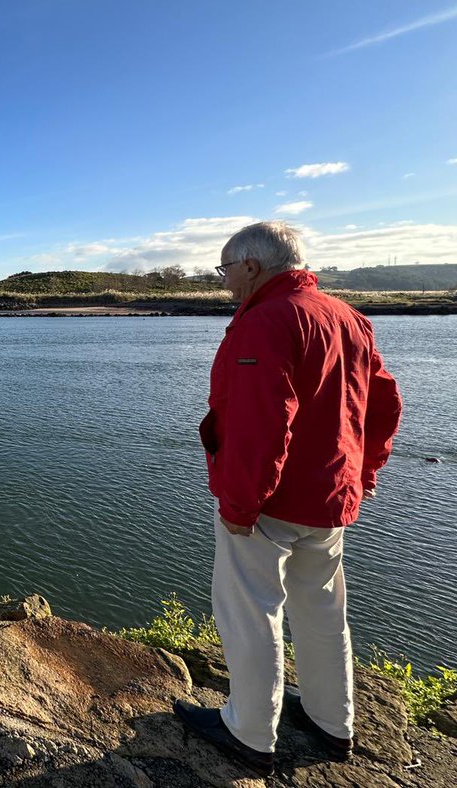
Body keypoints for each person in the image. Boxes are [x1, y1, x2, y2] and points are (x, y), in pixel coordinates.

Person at [175, 222, 402, 776]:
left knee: (251, 611)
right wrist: (363, 475)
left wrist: (240, 504)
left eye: (226, 270)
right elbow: (384, 404)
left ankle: (249, 732)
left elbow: (261, 422)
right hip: (329, 495)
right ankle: (332, 722)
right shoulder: (348, 317)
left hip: (270, 502)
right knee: (322, 609)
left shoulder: (265, 321)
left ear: (252, 265)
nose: (225, 282)